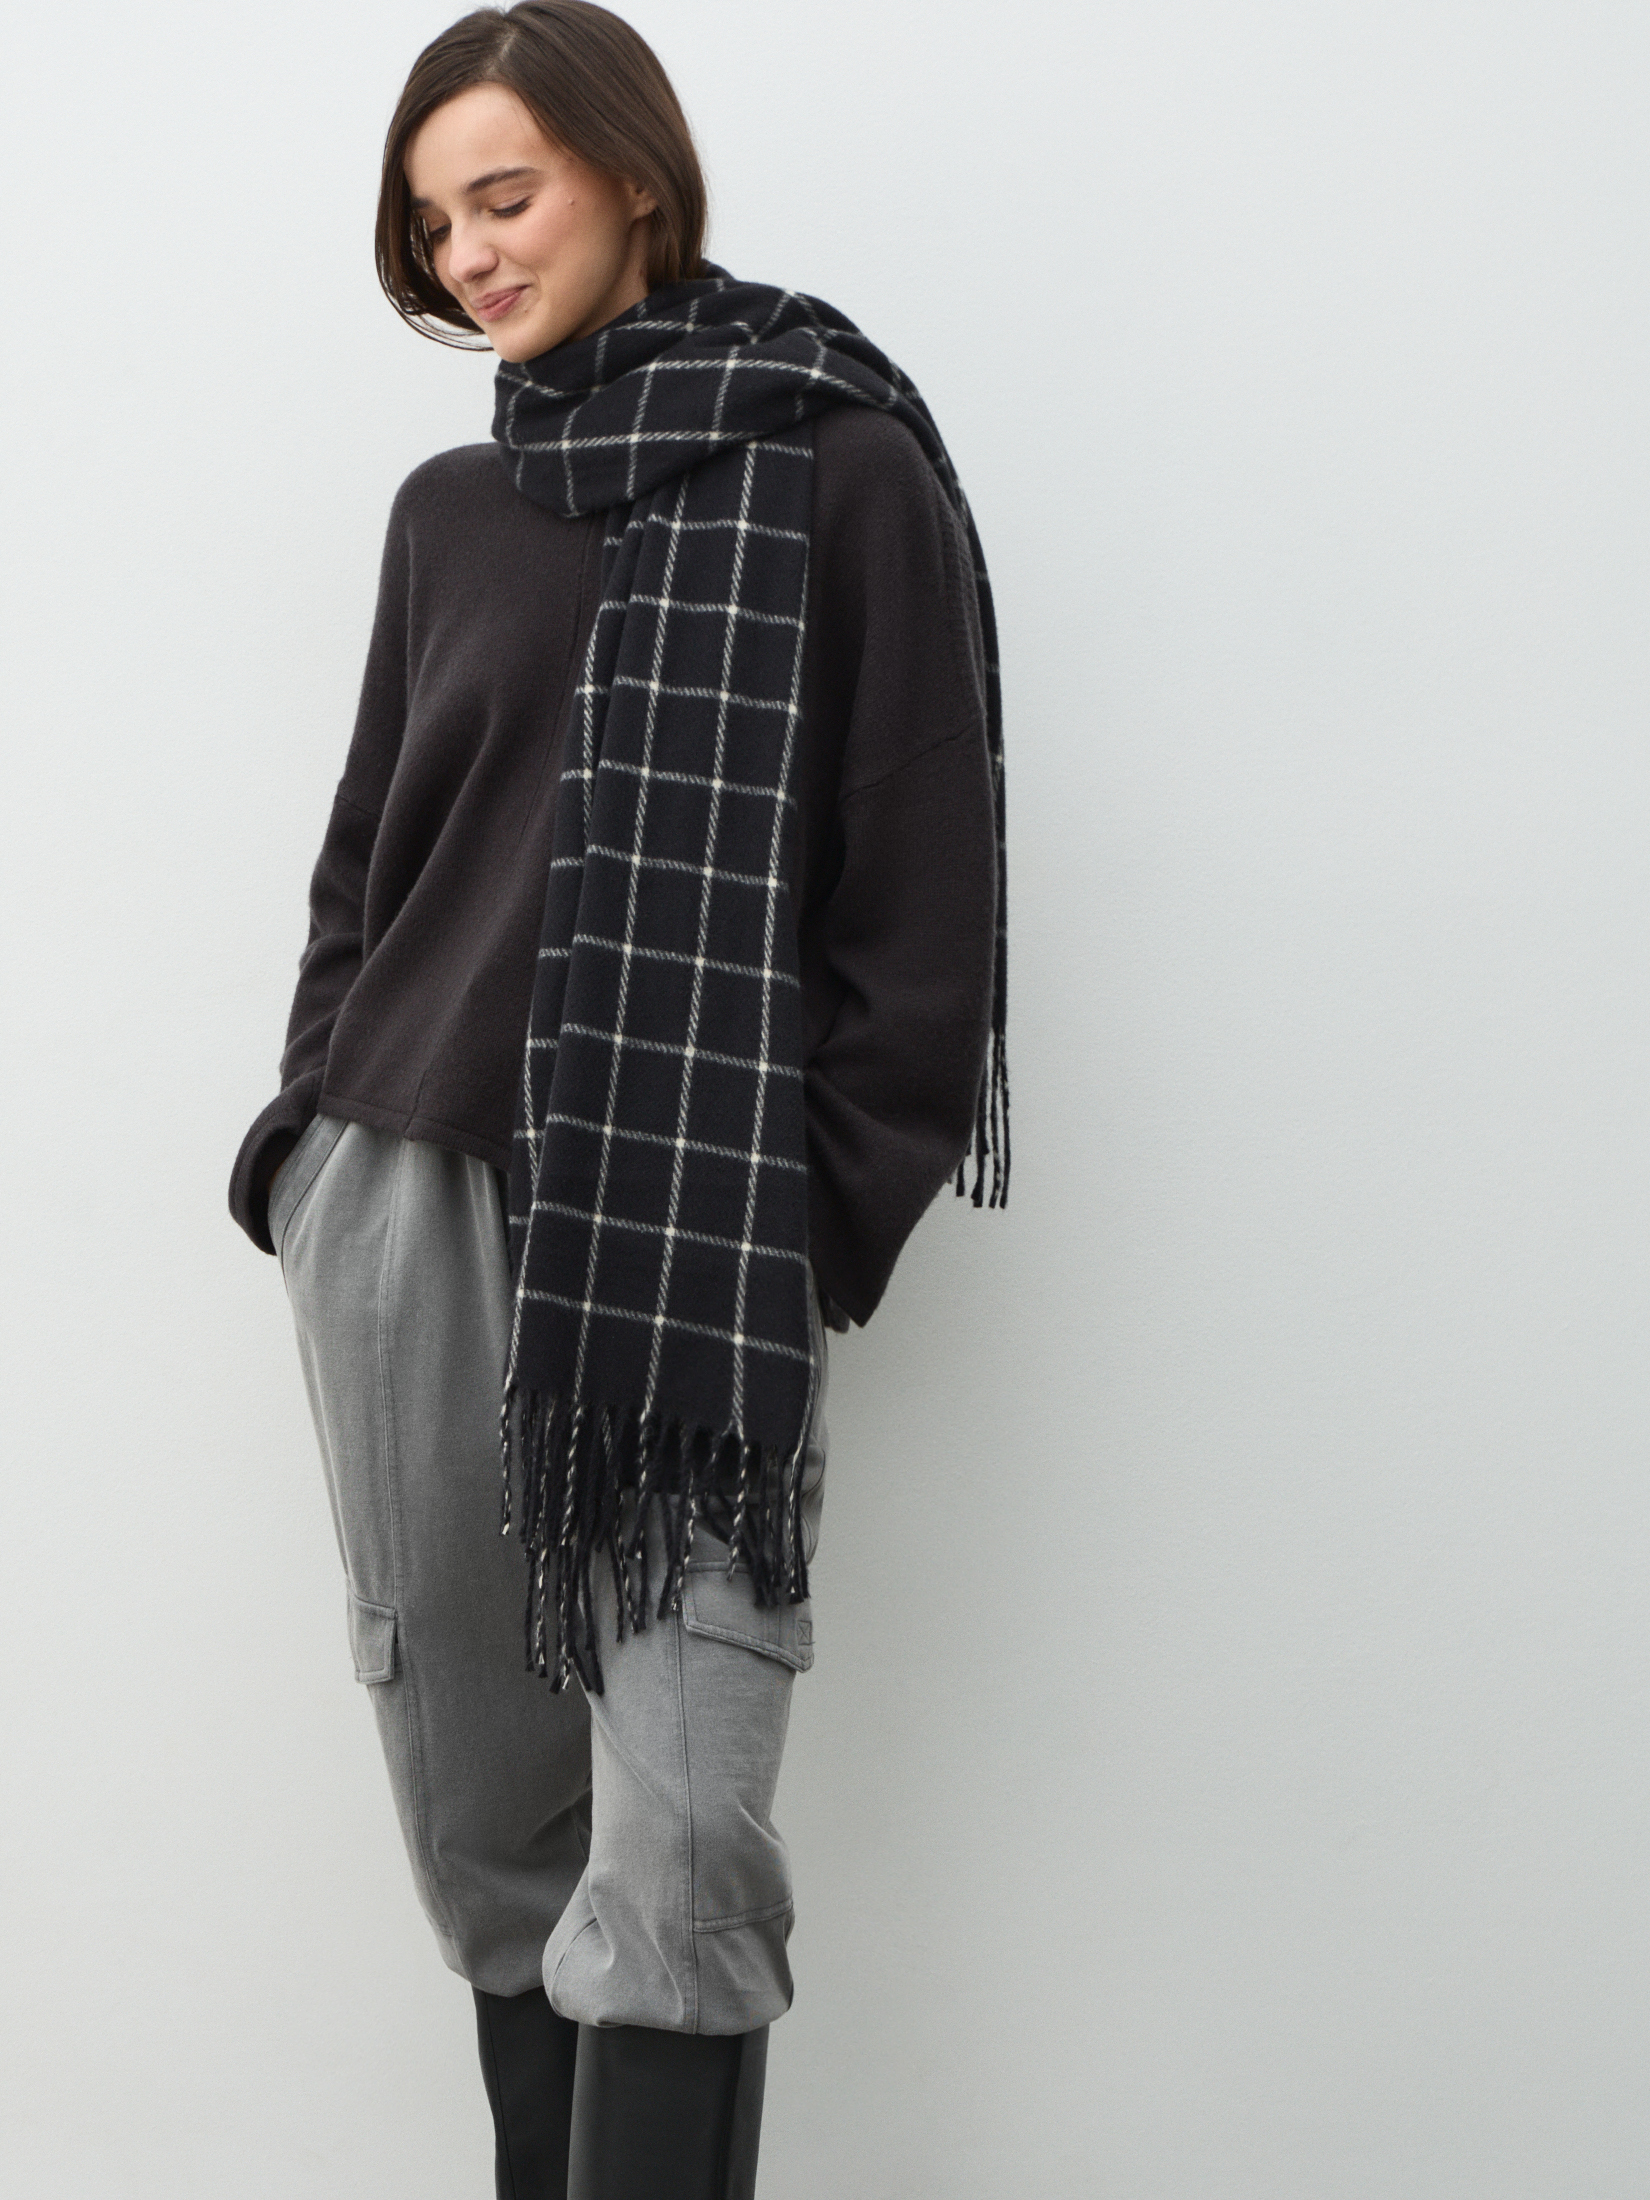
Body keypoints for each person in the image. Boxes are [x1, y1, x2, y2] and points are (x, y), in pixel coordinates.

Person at [227, 4, 1007, 2193]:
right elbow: (367, 861)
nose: (469, 253)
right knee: (490, 1829)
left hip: (677, 1229)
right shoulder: (449, 511)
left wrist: (804, 1211)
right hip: (406, 1207)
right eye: (432, 223)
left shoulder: (834, 465)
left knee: (680, 1851)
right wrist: (305, 1155)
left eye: (506, 196)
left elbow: (919, 902)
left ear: (631, 176)